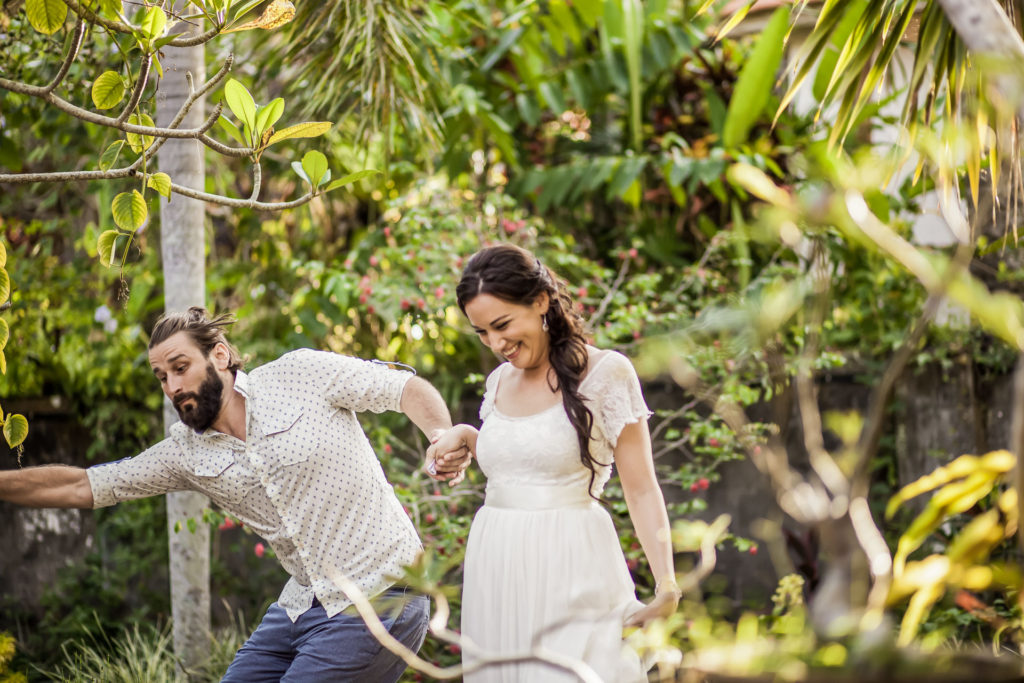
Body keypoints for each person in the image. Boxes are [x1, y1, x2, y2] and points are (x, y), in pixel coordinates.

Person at [0, 306, 470, 682]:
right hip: (303, 604)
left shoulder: (300, 375)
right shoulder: (185, 452)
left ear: (220, 356)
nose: (173, 385)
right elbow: (86, 484)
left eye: (180, 367)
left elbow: (400, 387)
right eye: (162, 376)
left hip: (386, 592)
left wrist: (439, 435)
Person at [429, 244, 681, 682]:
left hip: (572, 563)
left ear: (541, 302)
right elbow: (519, 457)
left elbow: (641, 489)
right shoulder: (499, 381)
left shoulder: (606, 373)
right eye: (483, 333)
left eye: (503, 324)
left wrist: (667, 586)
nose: (496, 343)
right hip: (497, 565)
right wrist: (468, 437)